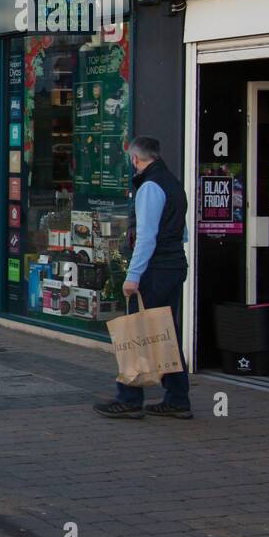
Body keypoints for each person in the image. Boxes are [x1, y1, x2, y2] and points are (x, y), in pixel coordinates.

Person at [95, 136, 191, 419]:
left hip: (155, 269)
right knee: (165, 333)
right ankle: (177, 399)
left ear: (135, 159)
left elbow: (146, 238)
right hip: (173, 265)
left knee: (137, 334)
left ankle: (129, 398)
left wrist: (132, 275)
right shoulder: (172, 182)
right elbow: (182, 231)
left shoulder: (149, 187)